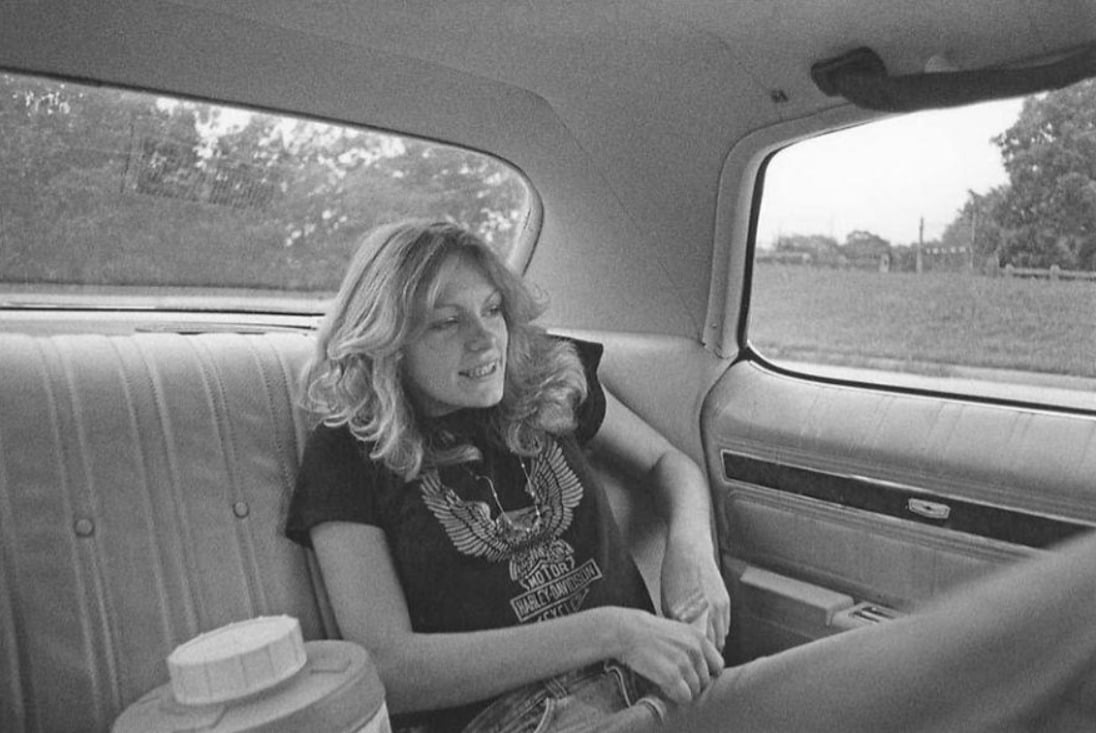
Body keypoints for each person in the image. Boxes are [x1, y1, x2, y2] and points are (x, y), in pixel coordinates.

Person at [285, 220, 1096, 732]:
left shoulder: (543, 380)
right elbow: (386, 664)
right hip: (531, 718)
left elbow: (673, 465)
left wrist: (691, 550)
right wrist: (610, 627)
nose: (485, 338)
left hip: (666, 684)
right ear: (388, 337)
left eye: (491, 308)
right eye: (446, 321)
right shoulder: (349, 450)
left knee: (959, 659)